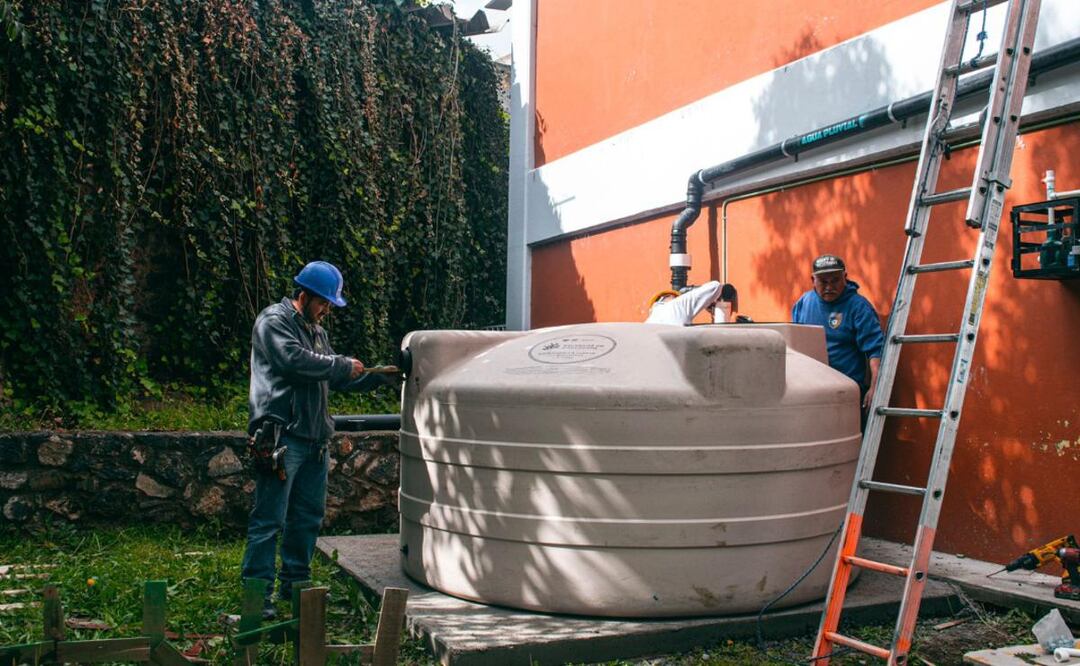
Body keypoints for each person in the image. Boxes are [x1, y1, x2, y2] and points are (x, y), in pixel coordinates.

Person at [241, 260, 387, 619]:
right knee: (269, 520)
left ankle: (297, 590)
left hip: (314, 441)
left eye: (328, 304)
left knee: (306, 518)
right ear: (304, 295)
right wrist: (339, 364)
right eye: (323, 302)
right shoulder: (274, 322)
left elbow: (334, 377)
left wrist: (380, 375)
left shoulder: (316, 331)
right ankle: (258, 599)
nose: (325, 310)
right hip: (281, 439)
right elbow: (293, 361)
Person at [792, 254, 884, 428]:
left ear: (845, 278)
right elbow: (794, 343)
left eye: (835, 280)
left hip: (846, 394)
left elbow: (875, 350)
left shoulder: (858, 307)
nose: (829, 287)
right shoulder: (804, 303)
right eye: (823, 281)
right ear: (813, 280)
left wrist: (875, 387)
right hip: (811, 392)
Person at [646, 281, 723, 325]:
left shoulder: (648, 322)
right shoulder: (679, 304)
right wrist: (690, 293)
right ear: (670, 296)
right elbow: (715, 286)